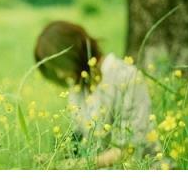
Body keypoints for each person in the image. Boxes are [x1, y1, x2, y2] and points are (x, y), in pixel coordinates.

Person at [34, 20, 160, 168]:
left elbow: (129, 151)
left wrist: (71, 166)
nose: (60, 74)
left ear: (74, 53)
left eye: (60, 66)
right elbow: (80, 141)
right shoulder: (78, 86)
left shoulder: (126, 76)